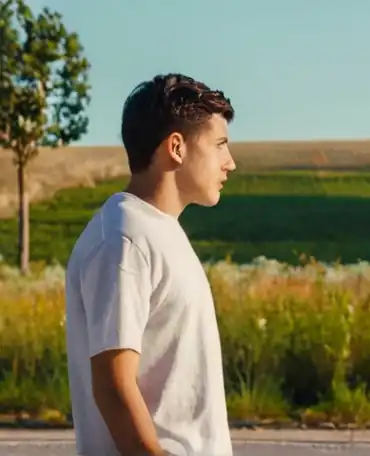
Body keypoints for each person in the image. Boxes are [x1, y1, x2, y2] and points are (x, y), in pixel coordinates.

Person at [64, 73, 237, 456]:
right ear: (176, 146)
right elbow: (112, 383)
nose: (231, 163)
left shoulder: (158, 231)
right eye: (220, 145)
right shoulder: (124, 238)